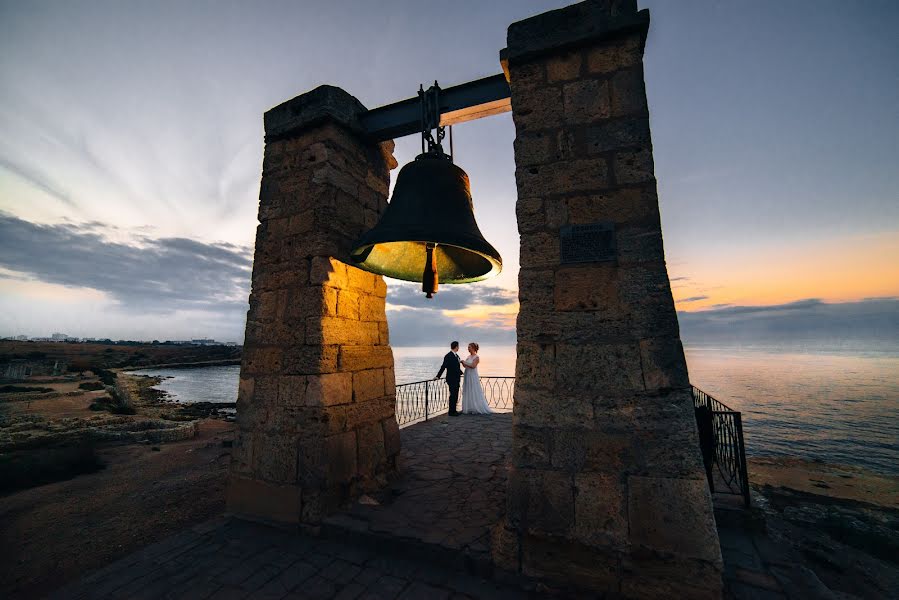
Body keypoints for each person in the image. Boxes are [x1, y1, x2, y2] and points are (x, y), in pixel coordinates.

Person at [461, 342, 492, 414]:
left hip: (472, 375)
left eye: (469, 347)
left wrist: (464, 362)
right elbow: (466, 366)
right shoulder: (468, 357)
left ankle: (476, 407)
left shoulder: (476, 357)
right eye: (468, 347)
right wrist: (463, 363)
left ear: (474, 348)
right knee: (468, 389)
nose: (468, 349)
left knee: (474, 390)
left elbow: (473, 366)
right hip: (467, 375)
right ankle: (469, 407)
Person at [435, 341, 463, 416]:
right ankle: (451, 412)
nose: (458, 348)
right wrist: (438, 376)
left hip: (456, 379)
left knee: (456, 395)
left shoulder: (456, 356)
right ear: (456, 347)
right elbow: (443, 367)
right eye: (458, 346)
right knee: (452, 395)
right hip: (451, 379)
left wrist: (462, 373)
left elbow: (456, 367)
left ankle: (454, 411)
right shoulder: (448, 356)